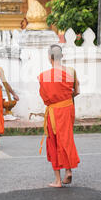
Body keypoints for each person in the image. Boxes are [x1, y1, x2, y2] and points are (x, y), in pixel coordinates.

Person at [38, 44, 80, 188]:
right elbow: (76, 91)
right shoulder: (71, 72)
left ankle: (58, 180)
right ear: (62, 56)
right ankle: (68, 170)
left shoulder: (44, 76)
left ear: (50, 58)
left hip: (54, 111)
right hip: (68, 108)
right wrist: (65, 99)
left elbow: (45, 98)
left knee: (54, 141)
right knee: (66, 138)